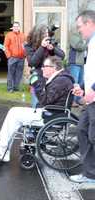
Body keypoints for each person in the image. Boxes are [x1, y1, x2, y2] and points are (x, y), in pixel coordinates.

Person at [0, 56, 74, 162]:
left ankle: (3, 148)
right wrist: (38, 82)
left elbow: (45, 100)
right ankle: (2, 146)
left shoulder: (61, 80)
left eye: (45, 66)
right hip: (50, 113)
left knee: (15, 115)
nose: (42, 69)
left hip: (50, 116)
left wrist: (36, 83)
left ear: (53, 68)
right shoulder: (61, 78)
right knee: (13, 110)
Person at [69, 10, 95, 183]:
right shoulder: (90, 43)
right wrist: (84, 88)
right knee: (82, 130)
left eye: (80, 26)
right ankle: (91, 174)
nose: (79, 30)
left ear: (89, 23)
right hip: (91, 98)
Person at [24, 24, 65, 108]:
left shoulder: (50, 42)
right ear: (37, 35)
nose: (47, 35)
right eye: (44, 33)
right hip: (38, 80)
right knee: (37, 106)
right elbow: (32, 63)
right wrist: (42, 47)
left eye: (47, 33)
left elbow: (62, 55)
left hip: (52, 80)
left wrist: (53, 49)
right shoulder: (29, 46)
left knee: (48, 107)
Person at [4, 21, 26, 92]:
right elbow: (5, 46)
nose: (16, 28)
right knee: (11, 73)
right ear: (12, 28)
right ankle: (10, 88)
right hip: (12, 57)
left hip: (21, 58)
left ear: (19, 27)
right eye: (15, 26)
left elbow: (25, 46)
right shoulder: (9, 35)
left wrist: (25, 54)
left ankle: (16, 88)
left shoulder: (23, 35)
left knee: (19, 73)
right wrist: (9, 56)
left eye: (17, 26)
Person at [68, 31, 87, 107]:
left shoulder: (85, 37)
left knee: (80, 83)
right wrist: (87, 43)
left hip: (82, 63)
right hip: (74, 63)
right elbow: (78, 46)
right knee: (74, 83)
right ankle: (71, 101)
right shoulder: (74, 35)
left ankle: (78, 100)